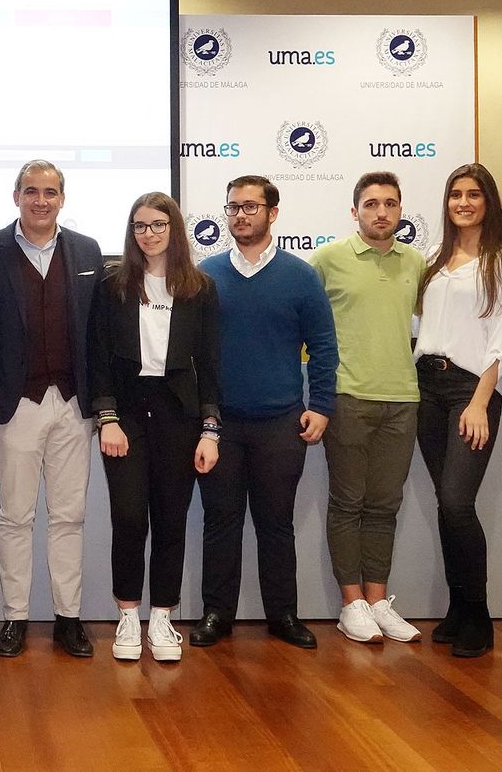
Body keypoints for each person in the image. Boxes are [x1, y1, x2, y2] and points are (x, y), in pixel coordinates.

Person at [195, 176, 337, 651]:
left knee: (276, 523)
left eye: (251, 207)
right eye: (233, 206)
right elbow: (192, 352)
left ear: (273, 213)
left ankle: (284, 615)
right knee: (220, 521)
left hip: (281, 421)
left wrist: (321, 406)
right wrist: (205, 421)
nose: (240, 215)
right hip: (221, 425)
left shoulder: (301, 276)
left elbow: (322, 347)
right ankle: (217, 614)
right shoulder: (205, 274)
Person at [0, 160, 104, 659]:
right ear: (16, 196)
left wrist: (103, 408)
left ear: (62, 198)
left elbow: (97, 332)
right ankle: (15, 618)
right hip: (13, 405)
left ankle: (69, 619)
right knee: (15, 516)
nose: (41, 200)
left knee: (69, 515)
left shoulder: (88, 250)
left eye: (50, 192)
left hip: (74, 404)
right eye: (32, 191)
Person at [91, 192, 221, 663]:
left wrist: (210, 430)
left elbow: (209, 363)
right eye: (140, 226)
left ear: (175, 229)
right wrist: (107, 417)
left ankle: (162, 616)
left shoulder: (200, 287)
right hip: (124, 416)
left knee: (170, 518)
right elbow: (99, 359)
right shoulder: (113, 286)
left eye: (158, 224)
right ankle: (128, 614)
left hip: (179, 415)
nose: (149, 233)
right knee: (128, 518)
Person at [309, 172, 426, 644]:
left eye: (391, 204)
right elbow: (310, 331)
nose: (382, 212)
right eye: (372, 203)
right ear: (354, 210)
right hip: (347, 397)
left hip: (403, 398)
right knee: (347, 503)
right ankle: (351, 603)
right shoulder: (326, 260)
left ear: (401, 211)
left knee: (384, 506)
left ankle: (378, 601)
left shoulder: (416, 262)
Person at [413, 163, 502, 658]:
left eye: (474, 194)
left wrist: (479, 401)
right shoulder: (433, 257)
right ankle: (457, 606)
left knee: (457, 501)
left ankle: (479, 613)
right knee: (444, 502)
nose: (464, 202)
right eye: (456, 194)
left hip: (470, 389)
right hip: (425, 386)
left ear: (488, 202)